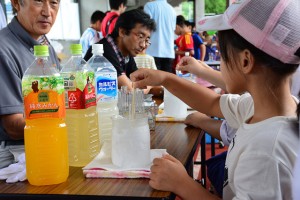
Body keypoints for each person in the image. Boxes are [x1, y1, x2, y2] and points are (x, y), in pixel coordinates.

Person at [131, 0, 300, 199]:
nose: (220, 62)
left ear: (245, 61)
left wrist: (183, 184)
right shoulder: (261, 107)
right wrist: (165, 78)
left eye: (222, 54)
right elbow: (211, 103)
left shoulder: (266, 152)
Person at [0, 0, 60, 169]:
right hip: (13, 154)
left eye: (54, 3)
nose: (47, 12)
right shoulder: (3, 49)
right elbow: (13, 125)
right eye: (39, 1)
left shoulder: (44, 46)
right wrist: (60, 122)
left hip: (45, 142)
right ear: (17, 3)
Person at [84, 9, 156, 92]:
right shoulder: (103, 51)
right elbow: (130, 91)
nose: (143, 45)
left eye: (147, 40)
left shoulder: (126, 53)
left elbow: (140, 83)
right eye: (140, 36)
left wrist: (156, 88)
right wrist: (151, 85)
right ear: (122, 32)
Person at [144, 0, 176, 73]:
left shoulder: (149, 6)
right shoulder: (172, 9)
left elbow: (146, 27)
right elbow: (173, 29)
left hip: (152, 51)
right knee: (167, 82)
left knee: (153, 82)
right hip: (168, 52)